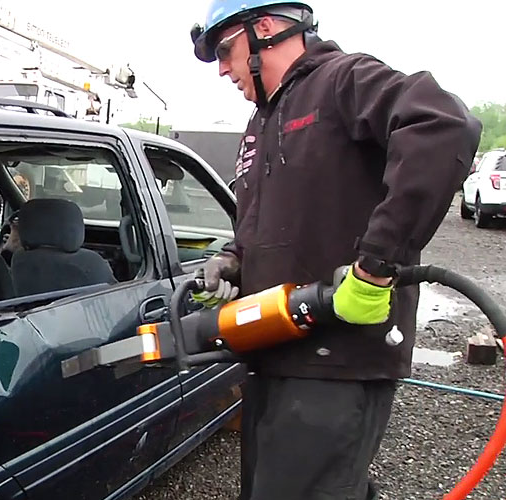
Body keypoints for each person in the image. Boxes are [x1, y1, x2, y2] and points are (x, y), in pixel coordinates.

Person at [189, 2, 482, 499]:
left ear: (264, 29)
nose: (221, 69)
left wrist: (377, 266)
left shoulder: (344, 81)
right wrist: (234, 257)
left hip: (336, 361)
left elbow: (443, 124)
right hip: (276, 349)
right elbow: (268, 218)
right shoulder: (262, 120)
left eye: (224, 50)